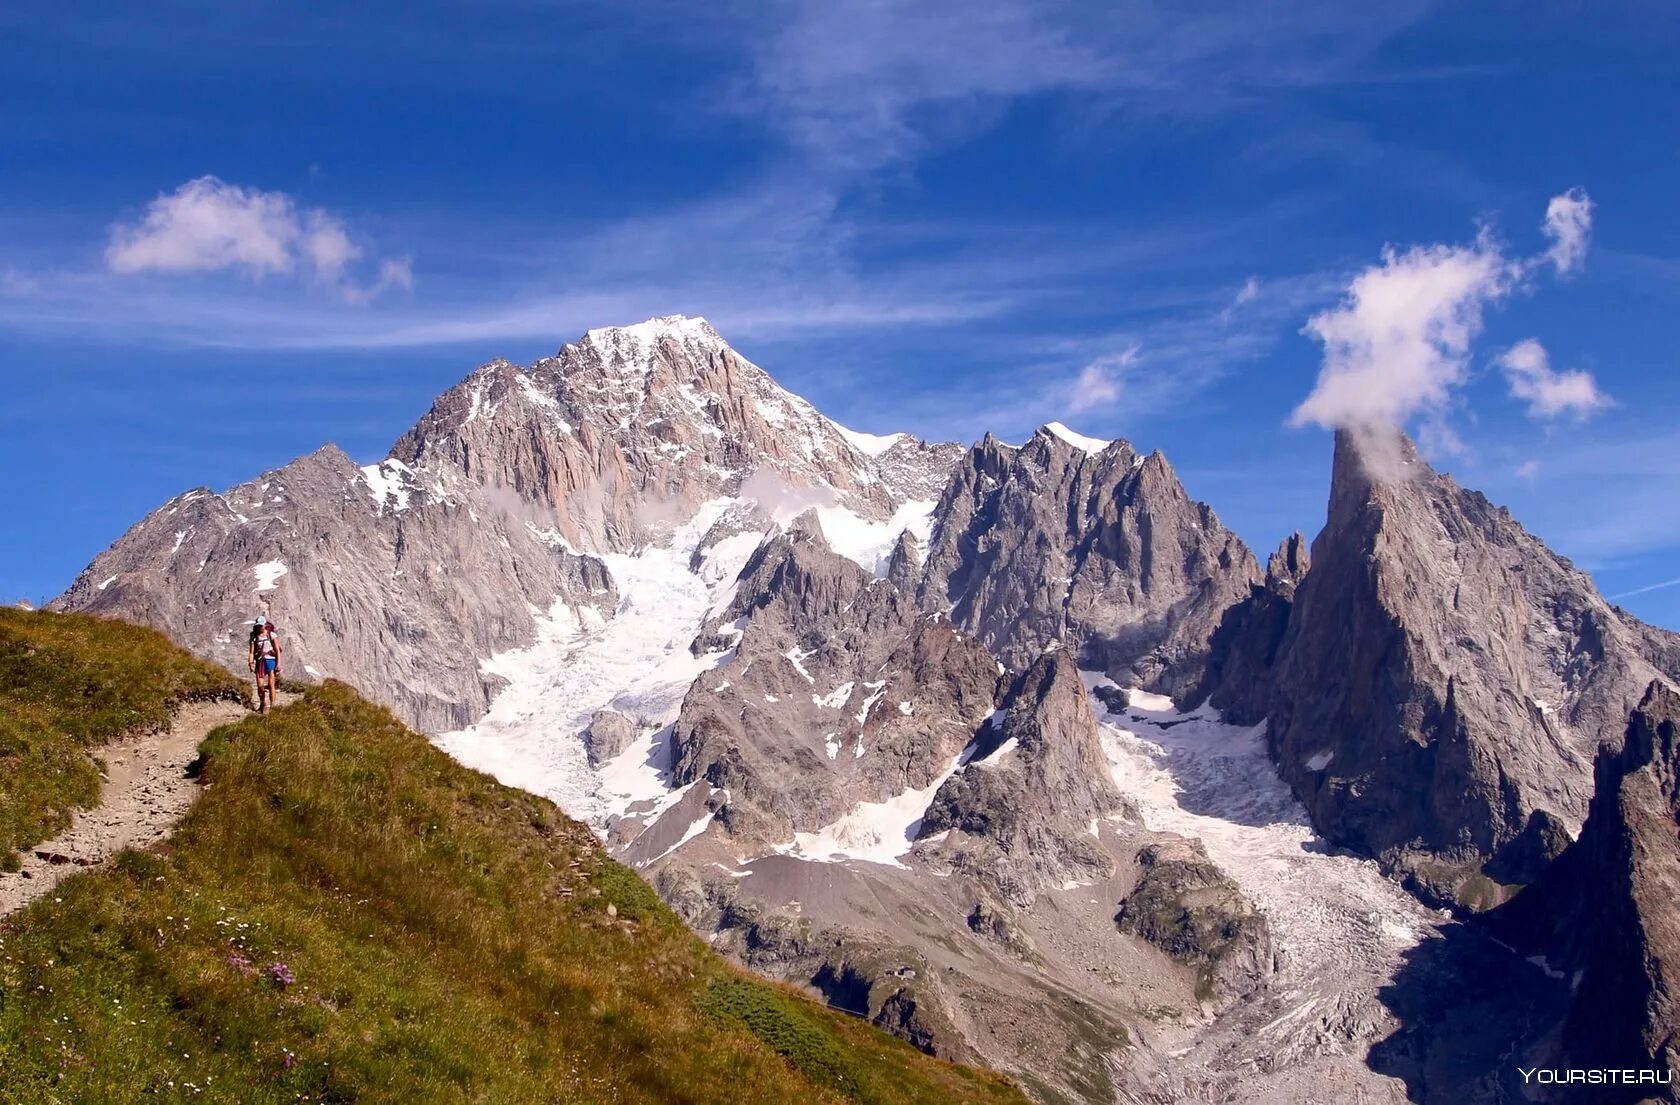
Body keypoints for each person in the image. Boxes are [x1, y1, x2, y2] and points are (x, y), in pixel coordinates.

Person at [248, 615, 283, 713]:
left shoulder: (271, 635)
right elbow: (251, 652)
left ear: (264, 625)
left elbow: (277, 650)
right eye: (258, 625)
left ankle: (273, 705)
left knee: (271, 684)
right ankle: (262, 703)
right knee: (260, 685)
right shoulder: (254, 638)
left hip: (271, 660)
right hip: (260, 661)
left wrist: (279, 663)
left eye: (261, 625)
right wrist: (250, 663)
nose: (259, 627)